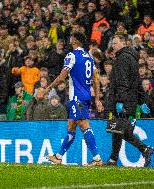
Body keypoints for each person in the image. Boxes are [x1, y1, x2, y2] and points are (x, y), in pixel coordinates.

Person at [45, 32, 104, 166]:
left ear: (75, 40)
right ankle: (58, 157)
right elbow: (95, 78)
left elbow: (61, 77)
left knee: (83, 124)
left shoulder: (72, 56)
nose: (70, 39)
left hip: (77, 96)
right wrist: (97, 98)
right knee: (71, 125)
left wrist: (48, 88)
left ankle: (97, 158)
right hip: (86, 96)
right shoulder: (88, 57)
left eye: (71, 37)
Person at [106, 35, 153, 167]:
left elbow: (122, 82)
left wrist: (120, 101)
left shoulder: (122, 58)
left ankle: (143, 150)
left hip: (123, 101)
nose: (113, 46)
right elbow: (137, 83)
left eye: (115, 43)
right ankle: (114, 159)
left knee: (120, 130)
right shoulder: (132, 58)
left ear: (123, 43)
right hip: (130, 101)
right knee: (120, 130)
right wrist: (142, 101)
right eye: (112, 43)